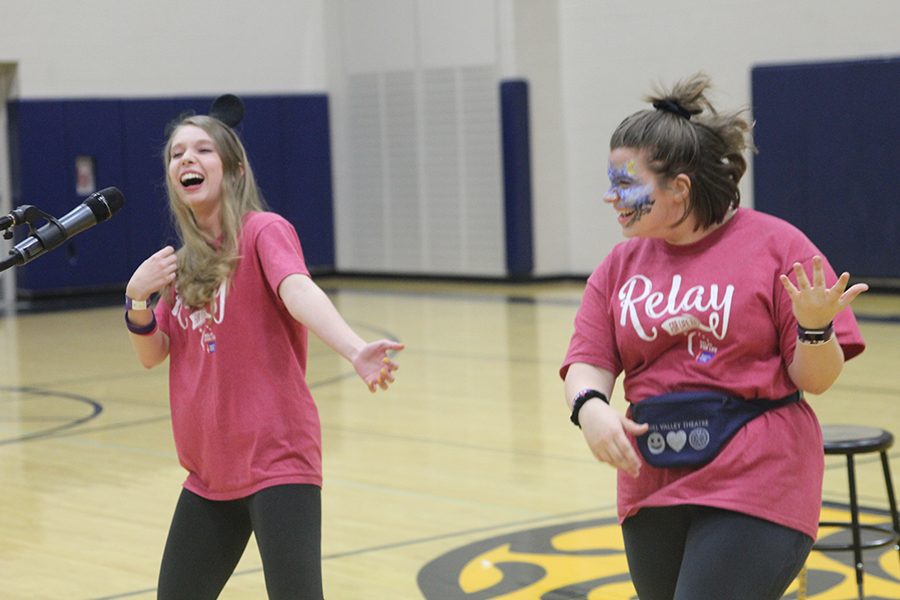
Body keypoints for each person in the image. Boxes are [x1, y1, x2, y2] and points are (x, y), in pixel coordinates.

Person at [560, 73, 868, 599]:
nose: (610, 197)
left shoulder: (777, 245)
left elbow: (815, 381)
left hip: (758, 475)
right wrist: (590, 408)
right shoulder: (619, 266)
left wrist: (816, 328)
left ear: (679, 189)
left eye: (625, 184)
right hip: (652, 478)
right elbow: (589, 358)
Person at [124, 98, 404, 600]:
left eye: (203, 150)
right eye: (176, 154)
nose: (186, 159)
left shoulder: (262, 232)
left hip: (277, 460)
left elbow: (297, 289)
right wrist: (137, 300)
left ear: (232, 169)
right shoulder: (181, 264)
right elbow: (152, 353)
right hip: (209, 473)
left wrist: (354, 348)